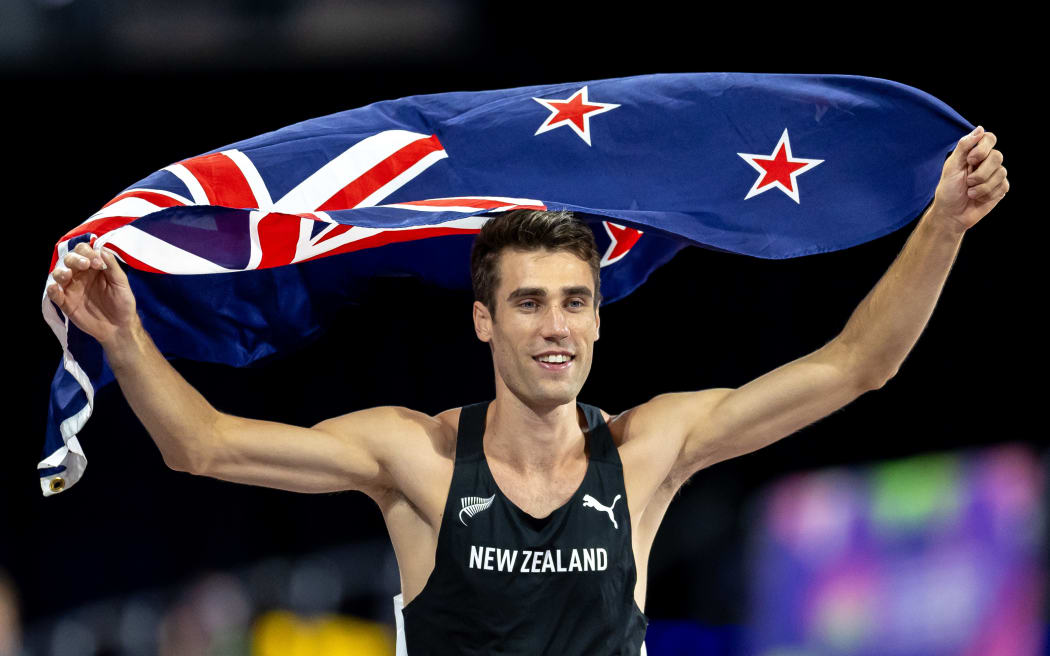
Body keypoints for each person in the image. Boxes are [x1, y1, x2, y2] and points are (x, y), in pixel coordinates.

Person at [45, 126, 1008, 655]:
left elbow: (855, 365)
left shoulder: (649, 450)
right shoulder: (412, 457)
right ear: (483, 320)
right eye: (530, 303)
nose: (554, 325)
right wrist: (125, 336)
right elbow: (202, 446)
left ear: (598, 320)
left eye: (574, 303)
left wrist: (945, 226)